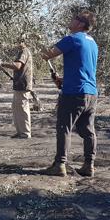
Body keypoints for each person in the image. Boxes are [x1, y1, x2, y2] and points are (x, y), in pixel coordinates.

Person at [40, 11, 98, 177]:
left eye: (75, 18)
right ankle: (89, 165)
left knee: (64, 128)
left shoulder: (72, 39)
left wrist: (36, 44)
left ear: (81, 24)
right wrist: (64, 80)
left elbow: (46, 55)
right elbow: (84, 70)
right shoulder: (93, 43)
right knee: (88, 131)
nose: (71, 20)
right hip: (91, 93)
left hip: (73, 94)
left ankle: (59, 164)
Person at [0, 35, 34, 139]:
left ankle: (25, 133)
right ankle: (20, 132)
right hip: (19, 84)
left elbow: (17, 66)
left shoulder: (24, 51)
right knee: (16, 108)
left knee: (22, 108)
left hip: (23, 84)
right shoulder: (21, 51)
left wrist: (2, 64)